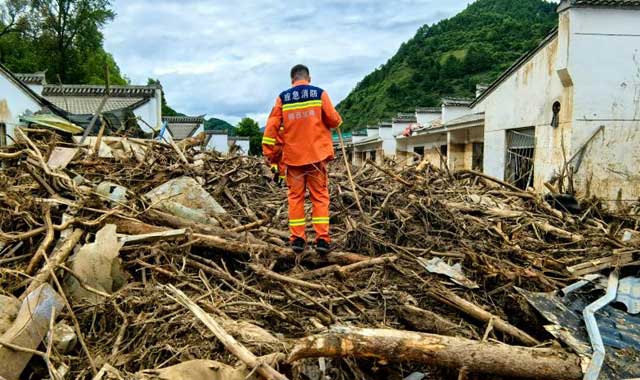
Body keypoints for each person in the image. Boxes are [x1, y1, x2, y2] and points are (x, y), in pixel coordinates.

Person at [262, 64, 343, 254]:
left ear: (292, 80)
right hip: (316, 158)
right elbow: (334, 120)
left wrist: (269, 153)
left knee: (295, 198)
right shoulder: (320, 94)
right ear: (309, 78)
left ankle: (298, 239)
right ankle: (322, 240)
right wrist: (337, 120)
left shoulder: (283, 98)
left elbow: (271, 127)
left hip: (293, 159)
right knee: (320, 198)